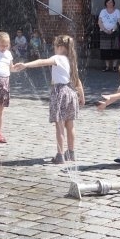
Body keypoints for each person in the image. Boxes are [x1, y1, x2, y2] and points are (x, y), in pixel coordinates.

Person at [13, 35, 85, 164]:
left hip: (60, 93)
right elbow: (77, 80)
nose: (54, 49)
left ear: (60, 47)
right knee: (70, 125)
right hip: (71, 93)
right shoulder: (71, 61)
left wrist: (26, 65)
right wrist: (82, 97)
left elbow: (42, 61)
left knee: (59, 125)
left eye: (55, 47)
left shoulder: (58, 58)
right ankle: (71, 153)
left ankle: (60, 155)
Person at [98, 0, 120, 72]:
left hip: (115, 33)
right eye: (108, 2)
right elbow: (99, 22)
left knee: (115, 49)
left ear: (113, 3)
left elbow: (119, 22)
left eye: (111, 2)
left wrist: (112, 30)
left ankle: (115, 66)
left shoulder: (117, 11)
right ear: (106, 3)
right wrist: (105, 30)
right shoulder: (103, 11)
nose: (110, 3)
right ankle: (107, 66)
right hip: (104, 32)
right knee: (105, 50)